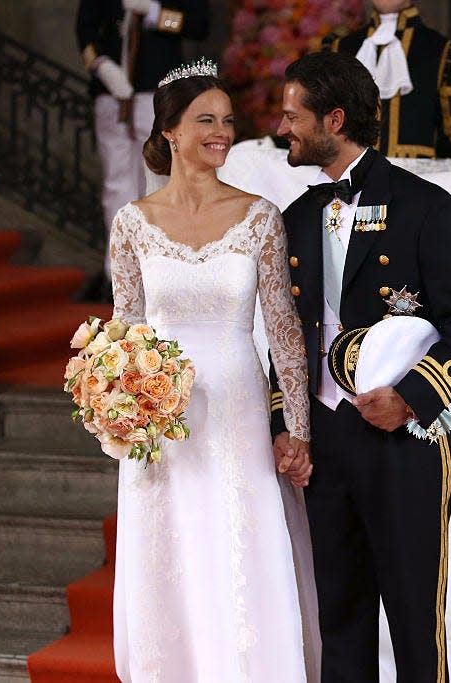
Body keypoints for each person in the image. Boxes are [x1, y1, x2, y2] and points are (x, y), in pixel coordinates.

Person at [270, 50, 451, 682]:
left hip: (403, 440)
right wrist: (286, 425)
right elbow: (284, 340)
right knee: (339, 622)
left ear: (334, 119)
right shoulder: (297, 217)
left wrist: (414, 397)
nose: (281, 129)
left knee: (415, 626)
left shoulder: (426, 207)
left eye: (293, 116)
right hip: (326, 442)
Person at [108, 60, 315, 682]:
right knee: (172, 548)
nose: (221, 132)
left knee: (237, 541)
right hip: (160, 423)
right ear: (169, 129)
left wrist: (296, 428)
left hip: (237, 413)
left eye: (227, 120)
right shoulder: (132, 224)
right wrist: (115, 405)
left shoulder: (260, 217)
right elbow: (122, 332)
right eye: (206, 119)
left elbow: (284, 335)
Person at [76, 0, 209, 289]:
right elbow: (85, 31)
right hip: (111, 94)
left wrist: (157, 15)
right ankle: (118, 276)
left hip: (156, 91)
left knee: (158, 181)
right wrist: (101, 66)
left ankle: (161, 273)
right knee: (116, 187)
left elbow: (197, 25)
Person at [322, 0, 451, 159]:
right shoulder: (338, 49)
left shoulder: (443, 52)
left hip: (414, 182)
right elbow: (324, 128)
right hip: (350, 184)